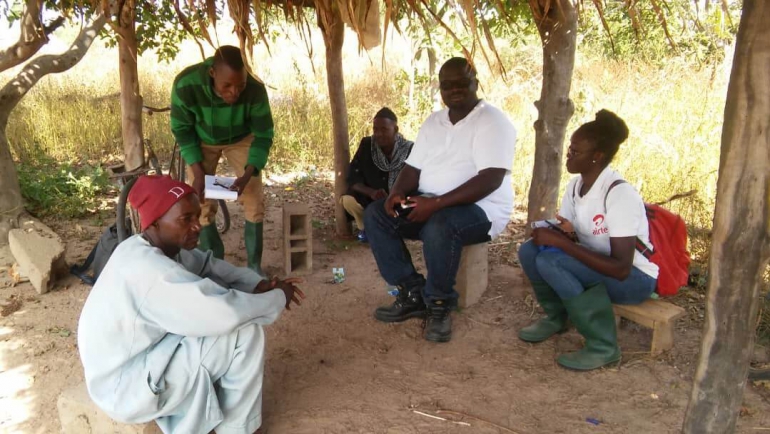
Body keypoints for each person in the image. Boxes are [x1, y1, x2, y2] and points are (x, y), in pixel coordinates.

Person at [78, 175, 304, 434]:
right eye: (186, 219)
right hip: (127, 389)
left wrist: (255, 285)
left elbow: (209, 265)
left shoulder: (149, 247)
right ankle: (238, 429)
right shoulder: (151, 271)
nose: (197, 226)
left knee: (215, 324)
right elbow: (226, 313)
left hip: (133, 365)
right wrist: (277, 297)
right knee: (243, 332)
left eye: (196, 216)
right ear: (154, 222)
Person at [364, 57, 517, 343]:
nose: (454, 90)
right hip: (430, 202)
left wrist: (436, 204)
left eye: (462, 83)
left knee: (440, 224)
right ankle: (411, 293)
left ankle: (438, 305)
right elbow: (413, 167)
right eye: (447, 85)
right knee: (377, 214)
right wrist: (397, 192)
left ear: (476, 83)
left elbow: (491, 179)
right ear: (441, 89)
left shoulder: (493, 121)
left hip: (481, 211)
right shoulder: (434, 121)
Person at [517, 109, 658, 371]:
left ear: (597, 156)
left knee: (552, 261)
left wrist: (563, 244)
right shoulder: (576, 186)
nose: (568, 155)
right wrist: (556, 233)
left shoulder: (619, 194)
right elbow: (571, 232)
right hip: (598, 266)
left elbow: (620, 267)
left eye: (575, 152)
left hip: (634, 279)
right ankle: (557, 317)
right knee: (529, 251)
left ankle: (604, 346)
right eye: (570, 148)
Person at [170, 45, 273, 275]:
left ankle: (254, 267)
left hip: (241, 137)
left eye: (240, 85)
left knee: (253, 195)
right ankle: (214, 263)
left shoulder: (255, 90)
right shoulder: (186, 85)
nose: (234, 92)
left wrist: (247, 175)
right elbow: (182, 130)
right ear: (212, 73)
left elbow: (263, 135)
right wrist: (198, 172)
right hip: (202, 139)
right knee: (200, 199)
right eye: (227, 85)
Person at [342, 107, 414, 243]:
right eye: (375, 130)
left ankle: (394, 227)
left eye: (384, 130)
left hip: (398, 202)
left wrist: (396, 195)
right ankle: (366, 228)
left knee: (413, 203)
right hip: (370, 200)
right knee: (347, 200)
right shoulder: (367, 145)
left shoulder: (410, 149)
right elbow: (353, 177)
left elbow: (416, 180)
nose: (379, 134)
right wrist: (371, 192)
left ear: (396, 130)